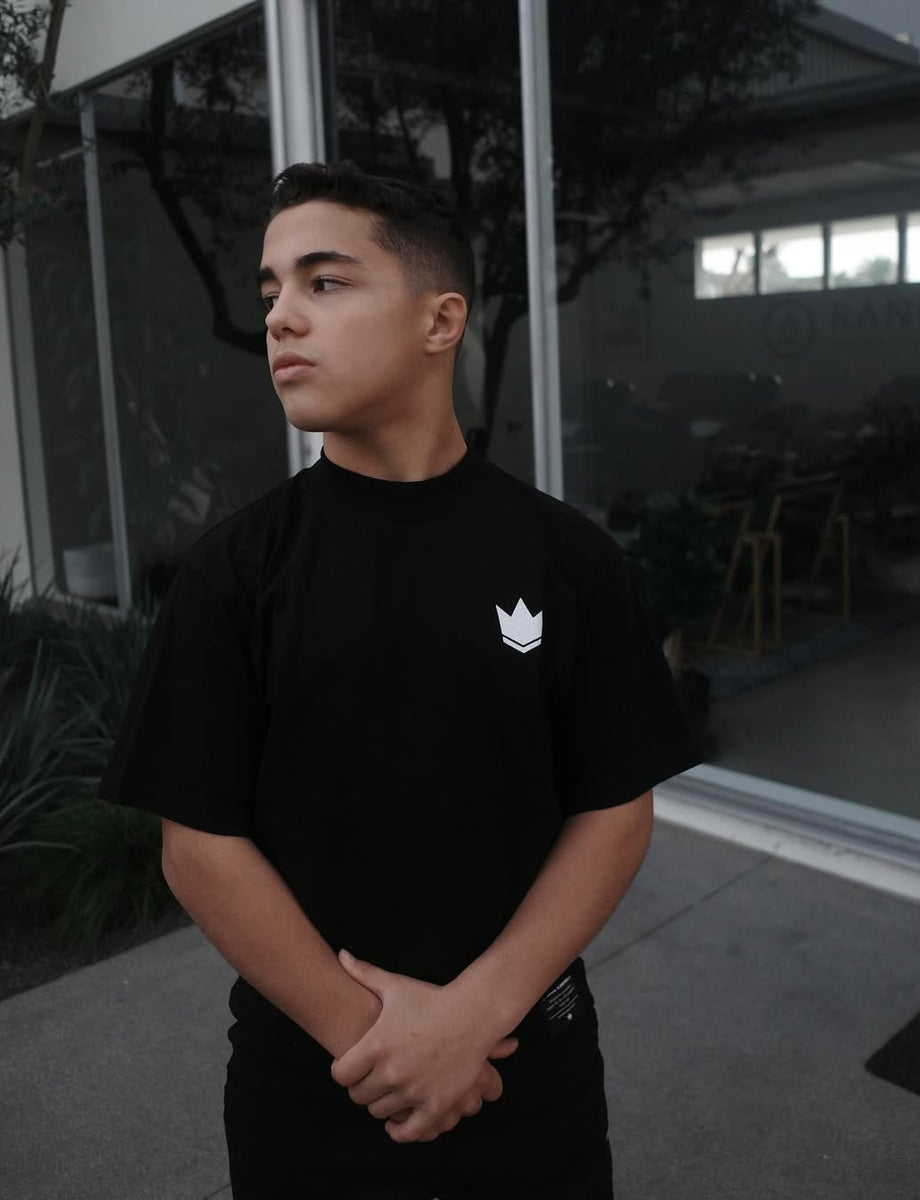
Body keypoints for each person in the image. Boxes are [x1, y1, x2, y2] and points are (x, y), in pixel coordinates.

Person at [98, 160, 699, 1199]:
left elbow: (614, 807)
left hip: (529, 1075)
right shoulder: (236, 571)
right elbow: (199, 846)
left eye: (325, 281)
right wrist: (381, 1043)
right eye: (271, 290)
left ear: (441, 319)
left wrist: (471, 1019)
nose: (280, 317)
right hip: (314, 1087)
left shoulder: (567, 560)